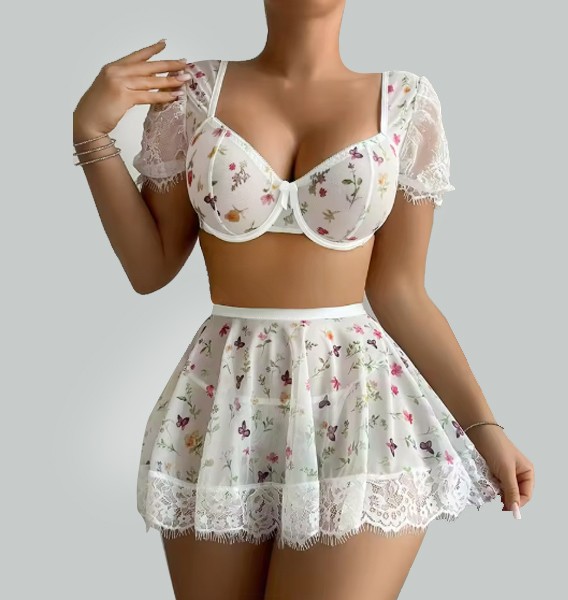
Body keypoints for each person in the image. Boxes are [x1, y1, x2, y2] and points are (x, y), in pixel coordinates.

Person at [72, 1, 535, 598]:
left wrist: (485, 426)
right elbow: (150, 267)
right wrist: (91, 134)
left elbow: (399, 291)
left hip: (359, 408)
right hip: (222, 401)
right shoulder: (192, 96)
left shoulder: (405, 102)